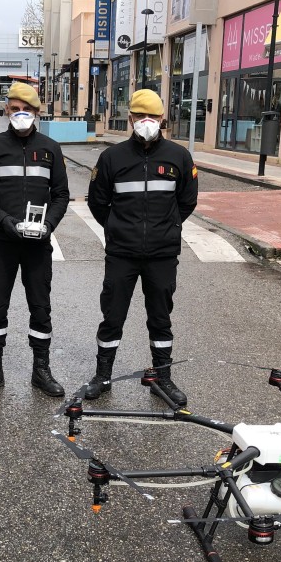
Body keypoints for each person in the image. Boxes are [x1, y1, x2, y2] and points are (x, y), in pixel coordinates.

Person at [83, 89, 199, 405]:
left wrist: (166, 228)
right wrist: (118, 228)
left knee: (161, 317)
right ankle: (102, 376)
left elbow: (187, 201)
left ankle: (162, 377)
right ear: (131, 118)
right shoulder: (111, 158)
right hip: (122, 253)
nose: (147, 121)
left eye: (154, 116)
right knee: (112, 315)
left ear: (163, 119)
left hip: (162, 254)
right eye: (141, 116)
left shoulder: (179, 156)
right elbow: (97, 202)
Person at [0, 82, 69, 397]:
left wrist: (49, 224)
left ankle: (41, 370)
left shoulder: (51, 148)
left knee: (40, 307)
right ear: (7, 110)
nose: (21, 114)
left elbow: (62, 195)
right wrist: (4, 221)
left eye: (27, 110)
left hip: (38, 243)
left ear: (37, 112)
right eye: (15, 109)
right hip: (2, 242)